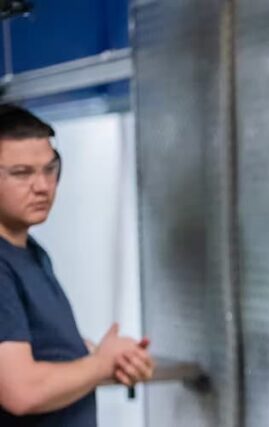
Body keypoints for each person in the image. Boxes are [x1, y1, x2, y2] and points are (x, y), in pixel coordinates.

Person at [0, 105, 154, 427]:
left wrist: (109, 355)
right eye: (22, 173)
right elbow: (21, 391)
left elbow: (42, 343)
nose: (43, 186)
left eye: (50, 169)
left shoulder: (31, 252)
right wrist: (100, 364)